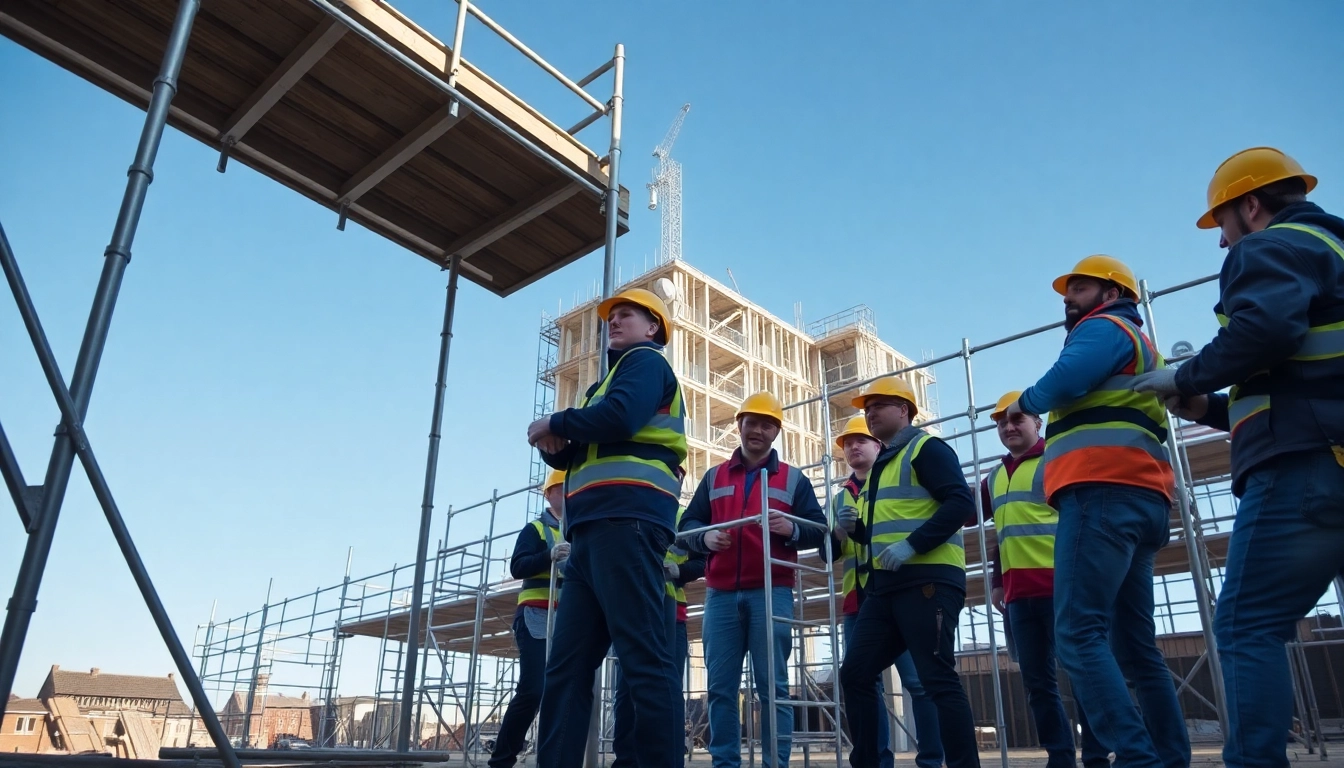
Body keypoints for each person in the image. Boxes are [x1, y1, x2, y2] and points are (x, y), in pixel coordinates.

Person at [1130, 147, 1344, 768]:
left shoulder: (1270, 246)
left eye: (1221, 224)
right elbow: (1299, 379)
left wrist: (1188, 371)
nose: (1222, 244)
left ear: (1251, 204)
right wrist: (1205, 407)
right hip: (1324, 444)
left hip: (1304, 467)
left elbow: (1267, 333)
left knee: (1248, 625)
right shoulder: (1331, 251)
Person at [1004, 255, 1189, 768]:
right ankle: (1169, 757)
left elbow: (1065, 380)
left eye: (1080, 287)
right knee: (1134, 646)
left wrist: (1027, 399)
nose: (1069, 297)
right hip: (1141, 498)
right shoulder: (1139, 343)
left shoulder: (1103, 327)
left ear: (1112, 293)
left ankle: (1136, 756)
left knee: (1078, 632)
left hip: (1102, 493)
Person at [528, 287, 686, 768]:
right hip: (593, 533)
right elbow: (582, 449)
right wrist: (554, 446)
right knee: (566, 669)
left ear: (652, 326)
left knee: (642, 660)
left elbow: (620, 417)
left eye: (626, 315)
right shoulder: (603, 386)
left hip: (628, 522)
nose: (613, 322)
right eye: (611, 317)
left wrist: (555, 420)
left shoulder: (644, 363)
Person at [837, 377, 981, 768]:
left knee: (936, 678)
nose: (870, 413)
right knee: (855, 673)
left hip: (928, 581)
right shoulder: (884, 465)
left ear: (904, 410)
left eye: (879, 405)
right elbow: (889, 526)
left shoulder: (926, 448)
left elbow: (959, 505)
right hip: (886, 588)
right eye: (867, 408)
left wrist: (911, 545)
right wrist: (856, 530)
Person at [680, 391, 828, 768]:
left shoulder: (793, 479)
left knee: (773, 689)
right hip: (722, 594)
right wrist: (705, 537)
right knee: (721, 690)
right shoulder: (714, 476)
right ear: (739, 425)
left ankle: (774, 764)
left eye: (766, 424)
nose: (757, 430)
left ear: (776, 431)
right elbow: (688, 526)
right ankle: (725, 764)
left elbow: (819, 530)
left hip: (771, 591)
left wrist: (791, 527)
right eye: (752, 422)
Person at [980, 393, 1106, 768]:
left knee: (1082, 674)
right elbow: (997, 532)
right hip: (1019, 596)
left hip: (1062, 585)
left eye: (1017, 419)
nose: (1009, 427)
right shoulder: (995, 476)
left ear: (1038, 423)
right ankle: (1060, 757)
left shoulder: (1057, 459)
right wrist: (998, 581)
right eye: (1002, 422)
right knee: (1038, 684)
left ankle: (1098, 756)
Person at [829, 416, 942, 768]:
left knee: (919, 683)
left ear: (879, 445)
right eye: (847, 443)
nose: (853, 447)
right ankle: (876, 761)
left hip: (901, 594)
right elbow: (828, 554)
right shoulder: (838, 498)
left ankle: (931, 760)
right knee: (863, 684)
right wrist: (839, 534)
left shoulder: (897, 479)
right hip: (858, 601)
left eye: (861, 440)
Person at [612, 505, 705, 768]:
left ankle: (667, 760)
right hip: (633, 609)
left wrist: (679, 571)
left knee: (669, 689)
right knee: (628, 689)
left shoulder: (684, 518)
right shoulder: (630, 506)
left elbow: (702, 560)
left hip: (672, 612)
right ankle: (627, 761)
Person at [489, 470, 567, 768]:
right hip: (535, 615)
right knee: (533, 690)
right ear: (548, 494)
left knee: (562, 691)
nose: (567, 494)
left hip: (567, 619)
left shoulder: (577, 529)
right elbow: (518, 566)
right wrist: (549, 555)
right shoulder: (535, 529)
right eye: (560, 489)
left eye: (569, 489)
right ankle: (502, 760)